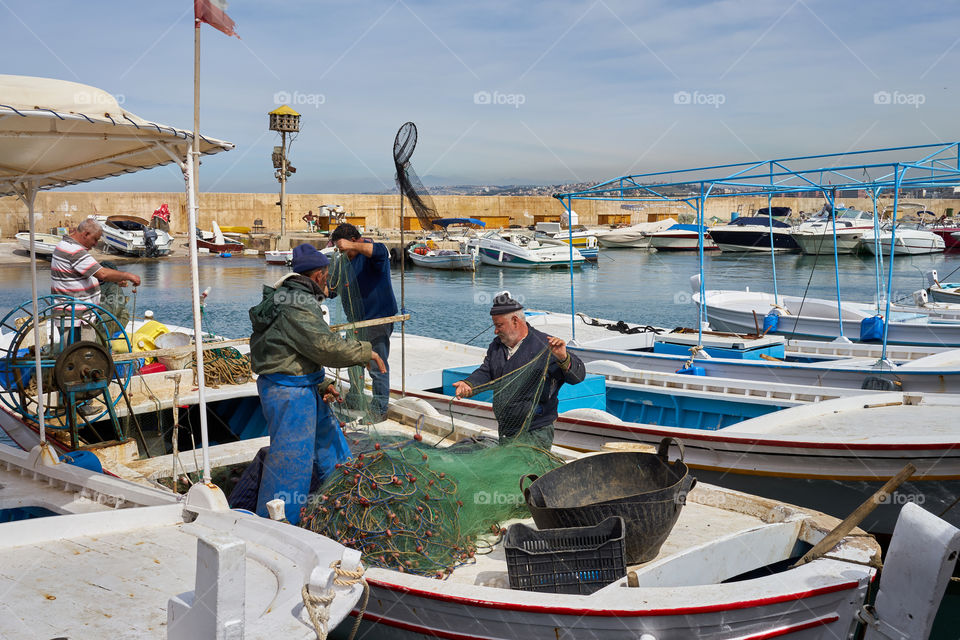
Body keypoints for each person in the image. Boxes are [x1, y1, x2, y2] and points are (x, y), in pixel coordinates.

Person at [248, 243, 386, 524]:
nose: (329, 280)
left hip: (301, 386)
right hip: (288, 392)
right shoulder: (296, 303)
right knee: (291, 462)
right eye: (327, 275)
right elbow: (323, 346)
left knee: (331, 444)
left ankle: (343, 498)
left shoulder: (291, 297)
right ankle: (277, 523)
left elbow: (295, 350)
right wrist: (364, 352)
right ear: (319, 275)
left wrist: (321, 385)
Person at [452, 292, 585, 448]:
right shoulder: (497, 346)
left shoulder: (546, 345)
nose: (495, 331)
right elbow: (487, 371)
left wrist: (563, 357)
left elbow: (578, 376)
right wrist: (468, 384)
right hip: (506, 427)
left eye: (499, 325)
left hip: (536, 430)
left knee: (526, 470)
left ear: (515, 321)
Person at [330, 223, 398, 419]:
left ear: (353, 241)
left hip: (377, 319)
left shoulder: (372, 253)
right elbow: (332, 289)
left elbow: (380, 252)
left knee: (377, 365)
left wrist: (352, 247)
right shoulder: (343, 260)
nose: (343, 252)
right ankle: (354, 396)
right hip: (355, 322)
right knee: (353, 361)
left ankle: (379, 410)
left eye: (343, 247)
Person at [51, 218, 141, 316]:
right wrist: (128, 276)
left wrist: (115, 280)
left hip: (75, 313)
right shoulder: (74, 251)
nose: (95, 244)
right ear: (86, 234)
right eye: (95, 239)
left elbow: (80, 277)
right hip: (76, 317)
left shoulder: (65, 245)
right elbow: (102, 274)